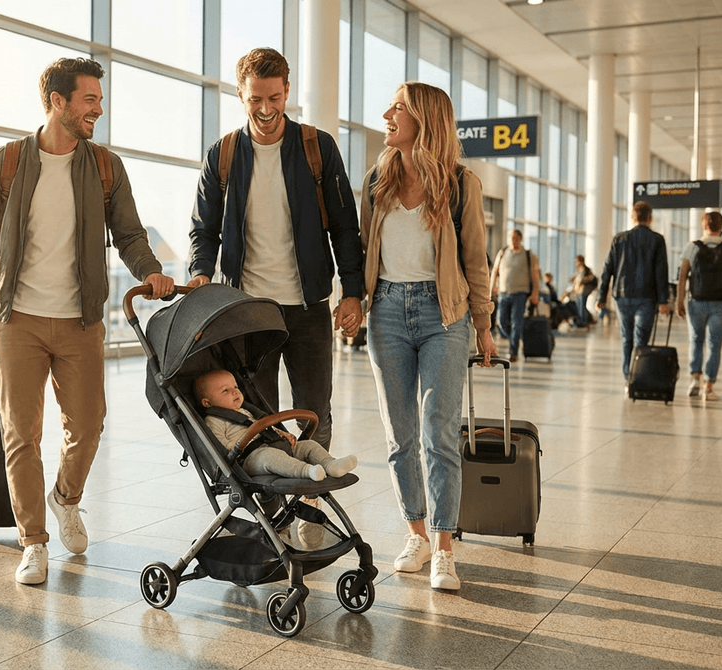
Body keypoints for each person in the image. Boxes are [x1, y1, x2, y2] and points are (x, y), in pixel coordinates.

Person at [0, 57, 174, 585]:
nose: (97, 110)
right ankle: (32, 542)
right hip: (19, 320)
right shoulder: (6, 162)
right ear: (57, 101)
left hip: (80, 319)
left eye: (98, 101)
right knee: (21, 433)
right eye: (89, 100)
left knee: (87, 424)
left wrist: (152, 273)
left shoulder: (105, 166)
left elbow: (128, 233)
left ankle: (66, 498)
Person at [186, 48, 363, 547]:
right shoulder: (222, 155)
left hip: (307, 305)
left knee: (314, 410)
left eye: (276, 97)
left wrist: (352, 291)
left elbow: (346, 227)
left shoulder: (317, 147)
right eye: (256, 99)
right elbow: (203, 229)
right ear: (240, 93)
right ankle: (268, 517)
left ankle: (308, 503)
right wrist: (201, 272)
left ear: (288, 90)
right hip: (250, 314)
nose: (266, 109)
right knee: (256, 416)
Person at [357, 82, 496, 591]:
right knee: (399, 434)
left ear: (425, 119)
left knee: (437, 432)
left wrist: (484, 326)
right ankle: (413, 532)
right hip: (388, 311)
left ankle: (443, 547)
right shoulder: (379, 177)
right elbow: (361, 245)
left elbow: (476, 260)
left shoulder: (461, 183)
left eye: (398, 107)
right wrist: (355, 300)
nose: (387, 114)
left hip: (445, 315)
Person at [195, 369, 358, 481]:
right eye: (225, 391)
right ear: (208, 403)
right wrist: (242, 443)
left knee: (308, 445)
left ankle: (330, 465)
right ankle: (306, 471)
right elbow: (219, 446)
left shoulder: (245, 412)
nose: (235, 392)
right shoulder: (213, 420)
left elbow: (262, 426)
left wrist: (280, 434)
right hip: (250, 458)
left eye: (236, 387)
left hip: (272, 444)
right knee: (271, 457)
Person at [597, 201, 671, 386]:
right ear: (650, 218)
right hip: (646, 297)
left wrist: (601, 296)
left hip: (622, 296)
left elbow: (608, 269)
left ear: (633, 217)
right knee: (641, 339)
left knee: (626, 338)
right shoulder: (657, 239)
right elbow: (661, 272)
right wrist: (663, 300)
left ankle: (628, 378)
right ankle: (640, 375)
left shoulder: (619, 239)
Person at [676, 212, 722, 401]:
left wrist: (679, 301)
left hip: (696, 302)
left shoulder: (692, 247)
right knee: (715, 345)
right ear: (720, 225)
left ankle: (694, 380)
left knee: (696, 341)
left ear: (703, 225)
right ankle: (709, 386)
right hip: (721, 304)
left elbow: (682, 277)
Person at [488, 229, 540, 362]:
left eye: (516, 237)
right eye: (511, 237)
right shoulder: (503, 253)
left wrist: (535, 292)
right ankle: (515, 338)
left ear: (520, 239)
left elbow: (535, 276)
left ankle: (513, 352)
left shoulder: (529, 255)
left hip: (520, 294)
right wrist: (490, 289)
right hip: (504, 293)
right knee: (501, 322)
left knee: (517, 323)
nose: (513, 240)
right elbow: (495, 272)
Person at [561, 255, 598, 327]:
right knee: (579, 306)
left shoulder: (586, 270)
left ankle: (583, 322)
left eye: (577, 261)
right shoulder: (579, 270)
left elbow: (590, 278)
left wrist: (582, 280)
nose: (577, 263)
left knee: (582, 306)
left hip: (583, 291)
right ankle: (582, 321)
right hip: (579, 291)